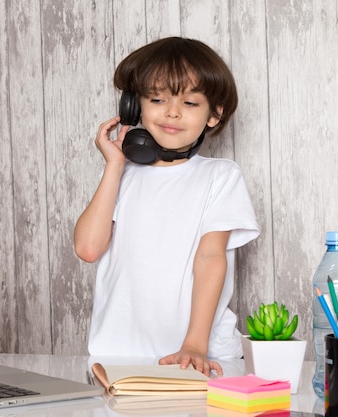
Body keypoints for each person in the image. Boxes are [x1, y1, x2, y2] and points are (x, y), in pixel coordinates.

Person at [74, 37, 259, 376]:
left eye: (190, 103)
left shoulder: (220, 176)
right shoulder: (122, 176)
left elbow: (210, 259)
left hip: (201, 355)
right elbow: (87, 248)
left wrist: (195, 345)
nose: (172, 112)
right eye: (157, 99)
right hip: (119, 355)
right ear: (134, 107)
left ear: (214, 114)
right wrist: (114, 165)